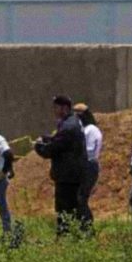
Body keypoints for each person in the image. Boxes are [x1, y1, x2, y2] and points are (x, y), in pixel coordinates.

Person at [34, 95, 90, 236]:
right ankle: (80, 235)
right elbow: (59, 140)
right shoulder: (71, 122)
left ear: (64, 108)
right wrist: (47, 138)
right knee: (74, 208)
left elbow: (52, 149)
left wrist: (38, 146)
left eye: (56, 107)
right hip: (72, 175)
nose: (54, 110)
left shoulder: (68, 127)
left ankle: (67, 237)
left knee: (65, 210)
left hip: (68, 177)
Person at [74, 103, 102, 227]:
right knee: (77, 198)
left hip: (88, 166)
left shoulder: (91, 130)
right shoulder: (84, 129)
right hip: (82, 165)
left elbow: (89, 150)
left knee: (81, 198)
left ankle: (87, 226)